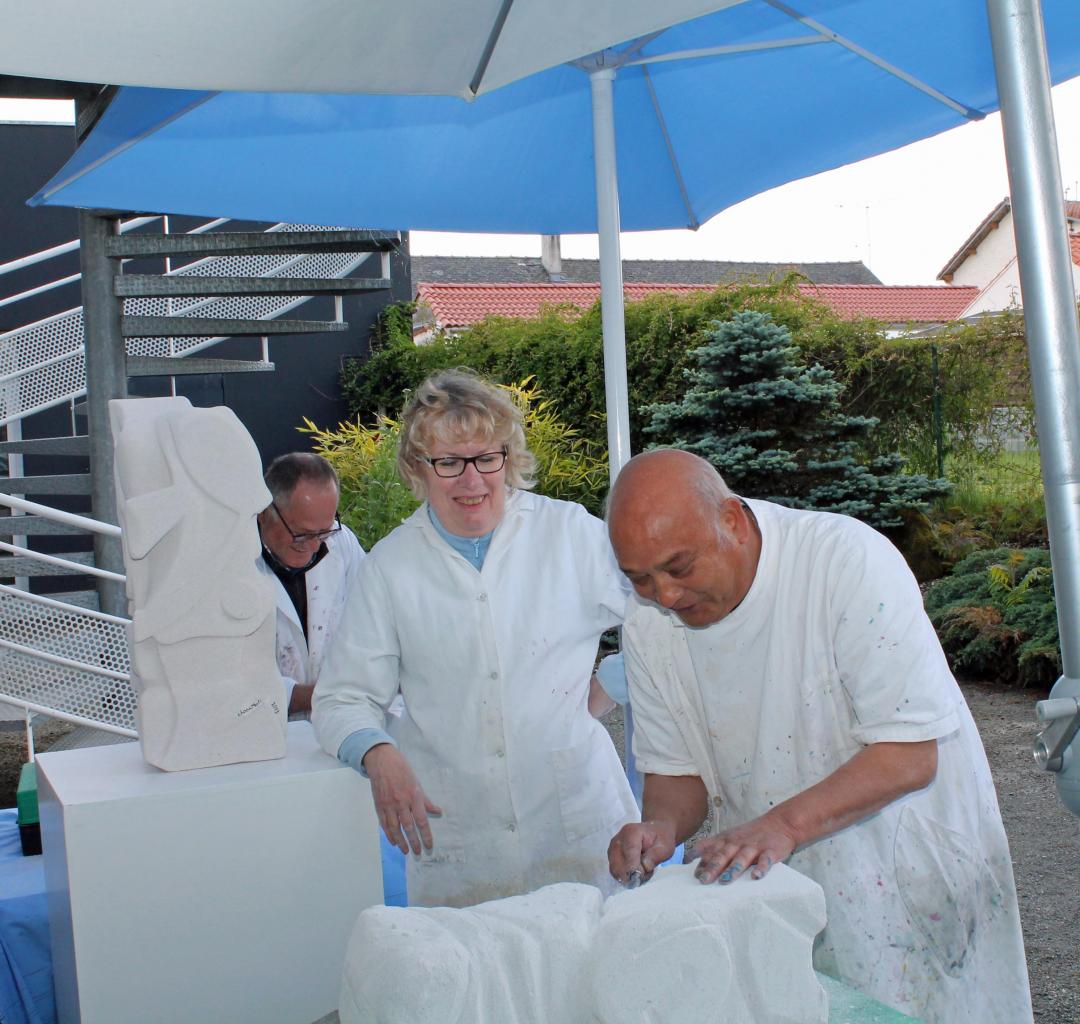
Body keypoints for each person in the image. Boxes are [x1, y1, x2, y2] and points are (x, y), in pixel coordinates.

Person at [605, 448, 1032, 1024]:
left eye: (679, 568)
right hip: (775, 884)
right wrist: (658, 828)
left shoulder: (844, 561)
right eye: (639, 580)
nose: (665, 596)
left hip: (906, 869)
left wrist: (780, 825)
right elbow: (677, 774)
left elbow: (908, 754)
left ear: (731, 520)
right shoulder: (647, 624)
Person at [312, 368, 637, 908]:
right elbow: (342, 698)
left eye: (488, 457)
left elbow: (667, 612)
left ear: (509, 459)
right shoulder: (391, 566)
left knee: (590, 976)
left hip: (576, 820)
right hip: (462, 840)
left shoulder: (569, 534)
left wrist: (613, 679)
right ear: (418, 469)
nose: (472, 480)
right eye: (448, 462)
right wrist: (376, 751)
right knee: (473, 981)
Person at [257, 452, 365, 719]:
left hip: (335, 725)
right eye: (302, 533)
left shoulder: (342, 545)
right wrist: (332, 694)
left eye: (325, 531)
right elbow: (240, 693)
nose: (316, 545)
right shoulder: (234, 569)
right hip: (264, 736)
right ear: (264, 513)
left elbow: (376, 620)